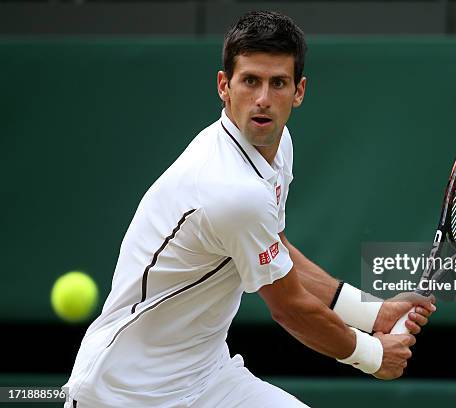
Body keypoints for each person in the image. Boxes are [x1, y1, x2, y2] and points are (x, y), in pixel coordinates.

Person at [63, 10, 436, 408]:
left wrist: (372, 312)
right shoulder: (231, 191)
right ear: (224, 86)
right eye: (250, 81)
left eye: (278, 83)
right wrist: (374, 355)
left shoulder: (276, 148)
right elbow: (290, 308)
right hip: (122, 394)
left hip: (207, 377)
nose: (263, 99)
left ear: (299, 91)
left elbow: (277, 250)